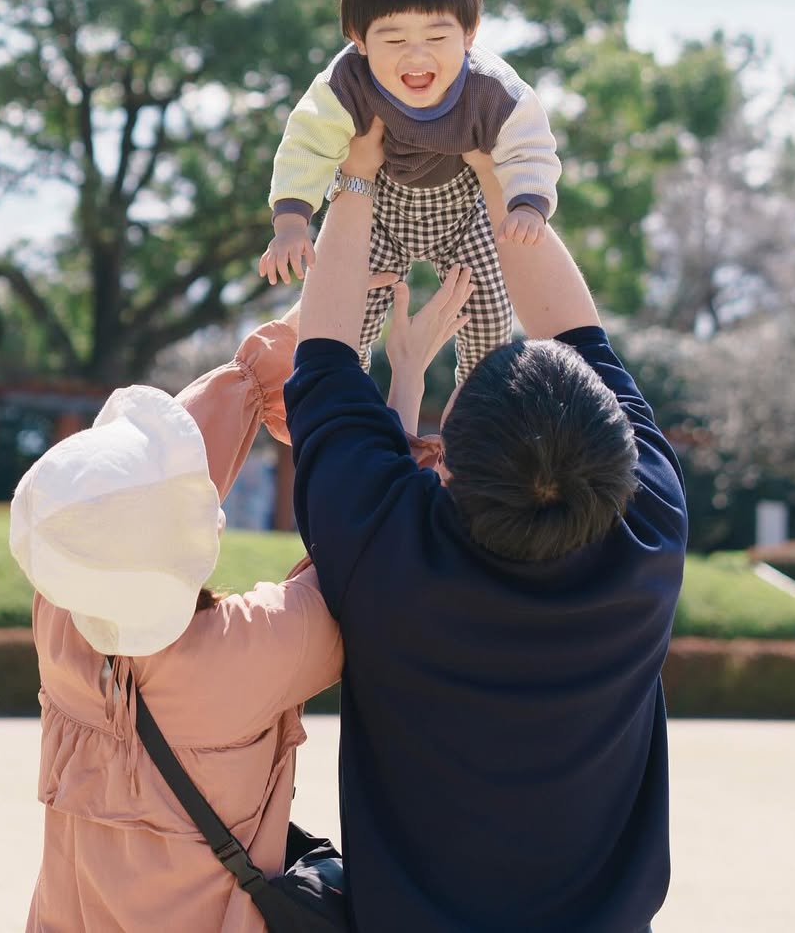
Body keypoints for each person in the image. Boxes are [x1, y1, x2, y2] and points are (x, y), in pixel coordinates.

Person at [285, 122, 688, 933]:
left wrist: (360, 172)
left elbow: (324, 354)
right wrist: (492, 153)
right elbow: (325, 362)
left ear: (450, 462)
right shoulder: (649, 531)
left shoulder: (390, 550)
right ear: (616, 448)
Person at [9, 306, 340, 933]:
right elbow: (373, 549)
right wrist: (323, 331)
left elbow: (126, 503)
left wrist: (271, 357)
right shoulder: (248, 650)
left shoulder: (59, 619)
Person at [260, 0, 561, 381]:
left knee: (488, 315)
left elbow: (529, 144)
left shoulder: (492, 88)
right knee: (347, 313)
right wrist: (290, 223)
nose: (416, 56)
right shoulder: (345, 83)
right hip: (377, 212)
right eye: (395, 40)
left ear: (469, 34)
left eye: (437, 37)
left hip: (464, 215)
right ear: (359, 39)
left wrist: (528, 205)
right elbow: (306, 145)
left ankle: (478, 408)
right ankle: (347, 397)